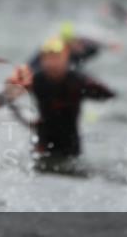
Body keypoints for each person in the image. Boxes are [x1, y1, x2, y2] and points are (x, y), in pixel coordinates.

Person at [27, 37, 117, 171]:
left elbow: (108, 95)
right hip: (43, 143)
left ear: (66, 58)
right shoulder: (36, 80)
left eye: (56, 57)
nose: (52, 63)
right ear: (42, 60)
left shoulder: (77, 81)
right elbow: (10, 95)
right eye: (48, 58)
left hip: (70, 145)